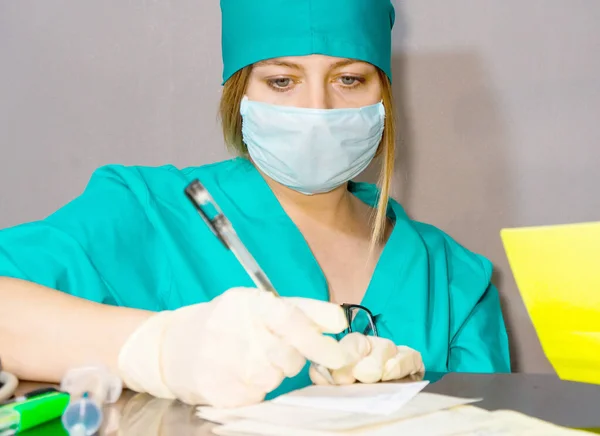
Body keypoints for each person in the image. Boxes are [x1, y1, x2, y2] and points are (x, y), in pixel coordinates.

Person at [0, 0, 510, 408]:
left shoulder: (451, 281)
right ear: (239, 94)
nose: (317, 111)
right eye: (282, 81)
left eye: (349, 79)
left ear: (384, 96)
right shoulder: (151, 212)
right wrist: (156, 349)